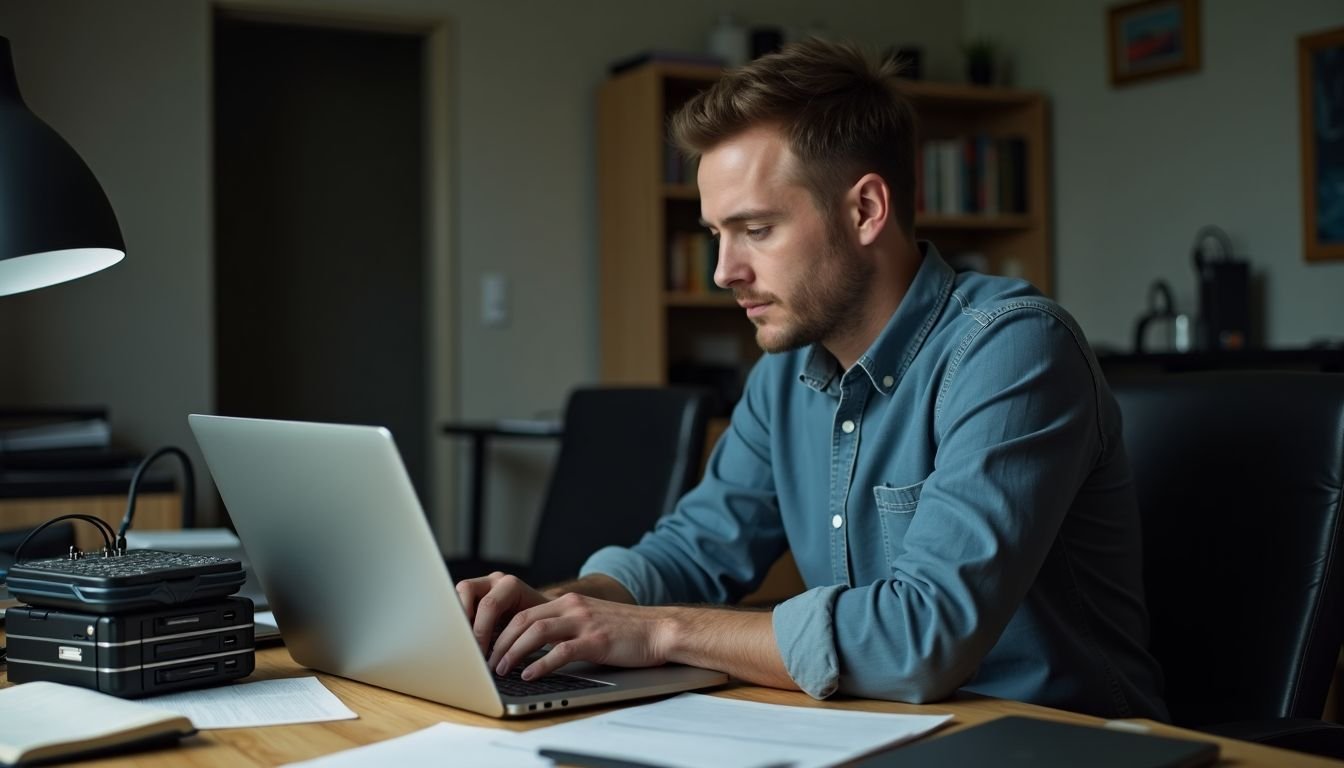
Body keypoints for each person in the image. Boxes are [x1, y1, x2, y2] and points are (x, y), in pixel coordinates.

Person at [457, 38, 1168, 720]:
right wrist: (560, 609)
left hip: (1056, 738)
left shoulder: (1013, 350)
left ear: (865, 210)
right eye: (716, 235)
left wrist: (659, 631)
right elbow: (694, 551)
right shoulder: (784, 375)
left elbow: (920, 638)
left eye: (756, 230)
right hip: (876, 729)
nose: (723, 272)